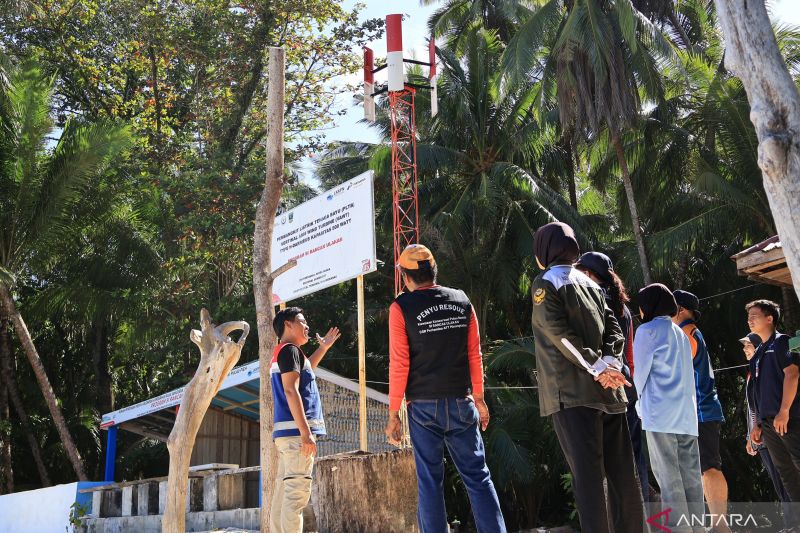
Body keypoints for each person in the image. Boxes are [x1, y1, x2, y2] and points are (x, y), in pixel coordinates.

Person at [384, 244, 506, 533]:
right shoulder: (461, 300)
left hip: (423, 408)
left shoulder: (401, 307)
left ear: (404, 277)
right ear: (434, 270)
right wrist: (479, 398)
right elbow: (474, 353)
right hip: (462, 402)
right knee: (478, 477)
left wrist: (393, 414)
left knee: (430, 483)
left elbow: (399, 363)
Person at [530, 222, 643, 533]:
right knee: (624, 477)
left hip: (572, 395)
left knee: (589, 481)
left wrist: (598, 368)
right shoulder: (592, 284)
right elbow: (615, 329)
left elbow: (557, 333)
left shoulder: (545, 283)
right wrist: (610, 365)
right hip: (610, 394)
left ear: (545, 251)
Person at [575, 251, 650, 503]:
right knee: (633, 458)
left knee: (605, 462)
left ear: (588, 274)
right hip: (626, 385)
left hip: (602, 385)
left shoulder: (589, 300)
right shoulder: (624, 307)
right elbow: (628, 353)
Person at [634, 284, 704, 533]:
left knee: (669, 478)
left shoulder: (646, 331)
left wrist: (638, 404)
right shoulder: (679, 333)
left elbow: (639, 375)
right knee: (692, 479)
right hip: (686, 414)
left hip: (659, 414)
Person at [270, 307, 341, 533]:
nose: (307, 325)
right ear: (288, 325)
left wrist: (323, 347)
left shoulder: (288, 352)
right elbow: (291, 390)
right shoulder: (290, 350)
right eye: (302, 321)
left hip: (286, 437)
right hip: (295, 436)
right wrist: (305, 432)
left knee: (283, 496)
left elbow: (306, 369)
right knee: (295, 496)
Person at [672, 289, 730, 532]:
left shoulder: (687, 332)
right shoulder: (690, 331)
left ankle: (721, 526)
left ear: (681, 309)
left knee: (709, 468)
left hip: (702, 410)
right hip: (700, 410)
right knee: (704, 469)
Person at [748, 299, 800, 507]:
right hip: (768, 423)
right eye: (748, 316)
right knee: (786, 472)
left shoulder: (782, 342)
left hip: (789, 418)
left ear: (770, 318)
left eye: (754, 316)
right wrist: (758, 423)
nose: (749, 320)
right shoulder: (757, 353)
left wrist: (784, 410)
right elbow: (759, 390)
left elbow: (793, 374)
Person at [741, 333, 792, 527]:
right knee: (779, 483)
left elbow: (764, 403)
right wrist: (750, 435)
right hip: (760, 436)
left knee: (786, 480)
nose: (745, 349)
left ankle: (793, 524)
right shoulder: (751, 371)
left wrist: (759, 428)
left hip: (772, 433)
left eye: (748, 345)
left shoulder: (763, 369)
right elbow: (752, 408)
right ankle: (791, 524)